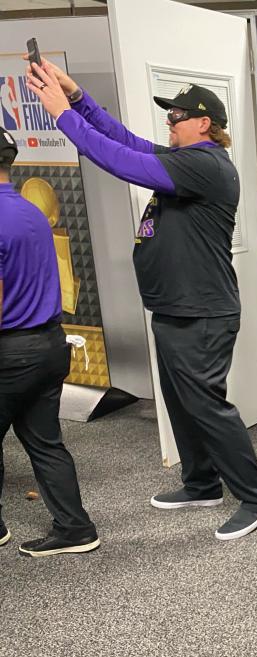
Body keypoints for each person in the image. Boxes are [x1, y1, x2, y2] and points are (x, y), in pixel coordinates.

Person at [26, 58, 257, 541]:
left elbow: (119, 159)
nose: (169, 121)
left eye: (177, 116)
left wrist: (61, 114)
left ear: (205, 123)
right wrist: (78, 99)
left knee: (205, 404)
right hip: (175, 308)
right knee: (181, 401)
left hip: (201, 311)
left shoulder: (205, 166)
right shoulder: (184, 162)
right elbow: (128, 142)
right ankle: (202, 482)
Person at [0, 130, 99, 557]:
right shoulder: (31, 211)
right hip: (48, 345)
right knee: (43, 440)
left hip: (11, 351)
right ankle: (76, 528)